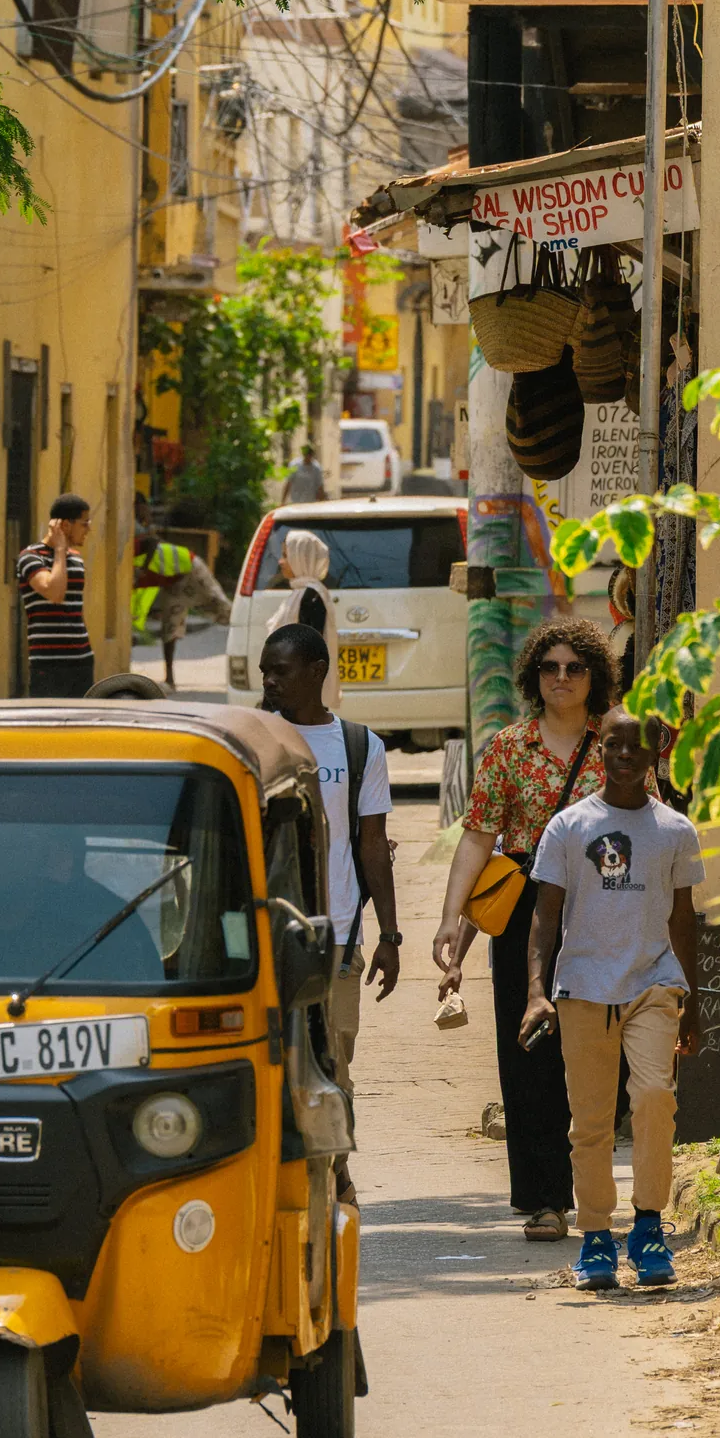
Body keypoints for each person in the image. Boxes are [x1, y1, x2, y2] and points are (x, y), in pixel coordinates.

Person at [431, 616, 629, 1243]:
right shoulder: (508, 748)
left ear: (594, 676)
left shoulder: (618, 744)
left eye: (575, 667)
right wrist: (448, 920)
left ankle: (591, 1170)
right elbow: (479, 836)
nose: (562, 678)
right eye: (551, 668)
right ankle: (546, 1198)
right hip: (524, 911)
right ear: (534, 676)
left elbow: (647, 826)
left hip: (605, 905)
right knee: (531, 1055)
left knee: (611, 1047)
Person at [521, 704, 702, 1289]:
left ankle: (648, 1227)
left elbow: (683, 917)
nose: (626, 756)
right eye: (616, 745)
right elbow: (545, 916)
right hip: (584, 989)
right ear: (600, 748)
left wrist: (692, 997)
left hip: (654, 982)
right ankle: (597, 1237)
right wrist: (535, 992)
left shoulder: (674, 830)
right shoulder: (568, 827)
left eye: (638, 748)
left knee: (653, 1097)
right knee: (591, 1121)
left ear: (655, 757)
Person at [260, 621, 399, 1196]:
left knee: (335, 1061)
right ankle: (288, 1177)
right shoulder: (256, 738)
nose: (269, 681)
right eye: (265, 670)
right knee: (272, 1062)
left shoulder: (360, 746)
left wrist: (390, 935)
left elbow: (371, 844)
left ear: (316, 673)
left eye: (281, 671)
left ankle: (336, 1176)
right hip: (267, 936)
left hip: (338, 936)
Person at [17, 493, 94, 697]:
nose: (89, 529)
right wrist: (60, 549)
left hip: (82, 659)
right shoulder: (30, 557)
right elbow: (54, 593)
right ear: (65, 525)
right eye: (84, 523)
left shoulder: (76, 559)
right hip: (48, 663)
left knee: (81, 726)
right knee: (48, 726)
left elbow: (73, 608)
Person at [133, 531, 230, 684]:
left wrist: (143, 569)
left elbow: (153, 540)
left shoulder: (130, 549)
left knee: (221, 605)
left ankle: (247, 635)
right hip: (172, 583)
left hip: (189, 566)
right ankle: (170, 679)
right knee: (169, 627)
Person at [265, 527, 341, 711]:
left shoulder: (311, 597)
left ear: (301, 557)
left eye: (286, 555)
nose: (281, 561)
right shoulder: (301, 593)